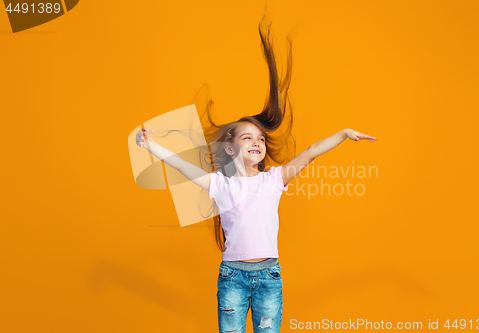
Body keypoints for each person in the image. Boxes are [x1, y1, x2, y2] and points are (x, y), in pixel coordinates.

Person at [135, 11, 376, 333]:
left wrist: (344, 133)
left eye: (261, 139)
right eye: (247, 137)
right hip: (232, 275)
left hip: (269, 276)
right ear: (231, 149)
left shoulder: (274, 179)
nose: (257, 142)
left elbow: (310, 153)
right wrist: (151, 147)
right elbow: (182, 165)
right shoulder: (220, 185)